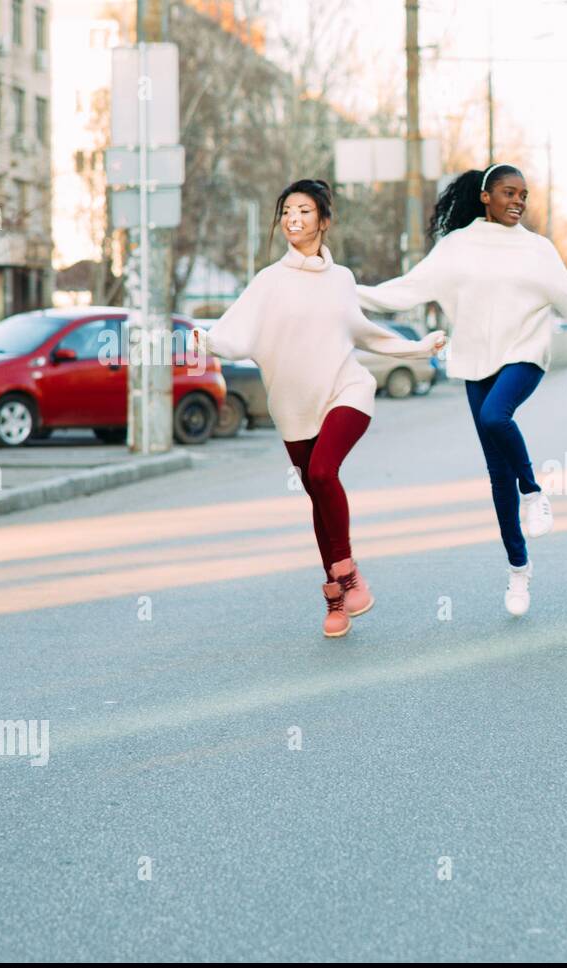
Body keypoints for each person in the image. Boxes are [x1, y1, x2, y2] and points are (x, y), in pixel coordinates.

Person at [194, 178, 445, 638]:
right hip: (292, 405)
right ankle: (335, 596)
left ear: (324, 221)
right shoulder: (268, 282)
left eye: (305, 210)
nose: (294, 217)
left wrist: (417, 349)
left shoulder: (342, 280)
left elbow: (365, 332)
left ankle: (347, 573)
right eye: (287, 209)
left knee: (324, 473)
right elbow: (236, 332)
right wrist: (207, 340)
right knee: (316, 491)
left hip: (345, 390)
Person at [357, 164, 567, 616]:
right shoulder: (457, 247)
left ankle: (535, 492)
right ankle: (519, 569)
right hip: (477, 360)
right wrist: (344, 289)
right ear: (485, 197)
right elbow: (407, 290)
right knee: (497, 473)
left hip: (525, 354)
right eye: (507, 192)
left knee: (495, 416)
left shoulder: (538, 250)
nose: (517, 201)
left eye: (523, 194)